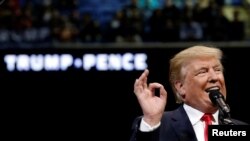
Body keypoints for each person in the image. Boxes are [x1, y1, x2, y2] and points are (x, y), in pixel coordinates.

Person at [130, 45, 248, 141]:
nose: (214, 77)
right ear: (181, 87)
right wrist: (151, 119)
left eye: (217, 70)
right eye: (202, 72)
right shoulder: (159, 125)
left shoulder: (239, 129)